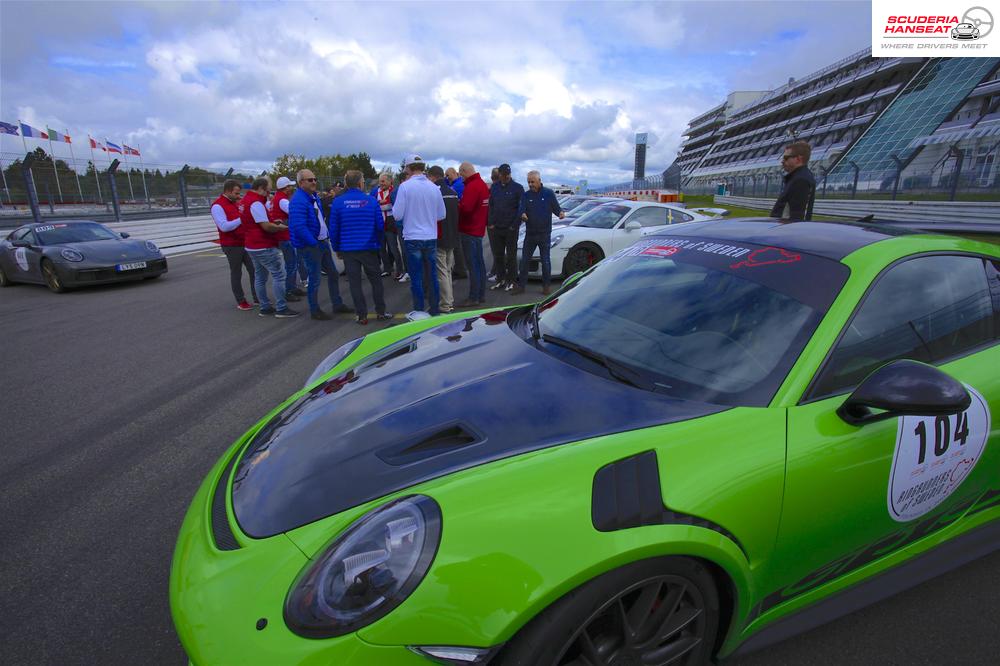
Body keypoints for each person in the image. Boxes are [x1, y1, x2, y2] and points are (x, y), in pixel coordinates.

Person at [329, 170, 392, 325]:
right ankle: (381, 312)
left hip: (349, 249)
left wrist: (337, 248)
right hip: (369, 247)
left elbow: (334, 229)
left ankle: (361, 315)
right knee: (376, 281)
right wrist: (377, 243)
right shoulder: (371, 201)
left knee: (355, 282)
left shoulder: (338, 202)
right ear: (360, 183)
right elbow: (379, 226)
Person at [288, 169, 352, 320]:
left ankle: (337, 304)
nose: (314, 182)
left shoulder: (313, 197)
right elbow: (298, 226)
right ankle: (315, 310)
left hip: (321, 242)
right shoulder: (298, 200)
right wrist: (313, 243)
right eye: (310, 180)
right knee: (315, 278)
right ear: (301, 182)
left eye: (315, 179)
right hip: (312, 245)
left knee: (333, 274)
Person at [392, 154, 446, 315]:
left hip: (413, 237)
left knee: (416, 278)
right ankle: (435, 310)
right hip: (430, 236)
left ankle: (419, 311)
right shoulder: (433, 187)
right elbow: (441, 214)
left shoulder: (405, 187)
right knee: (432, 275)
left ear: (408, 168)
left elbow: (397, 215)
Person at [240, 176, 299, 317]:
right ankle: (281, 307)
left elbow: (260, 221)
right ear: (261, 188)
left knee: (260, 276)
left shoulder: (245, 201)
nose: (269, 193)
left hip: (251, 245)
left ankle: (265, 306)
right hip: (262, 244)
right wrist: (281, 227)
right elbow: (266, 226)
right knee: (279, 275)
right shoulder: (256, 203)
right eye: (267, 190)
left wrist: (274, 222)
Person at [513, 170, 564, 296]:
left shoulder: (548, 193)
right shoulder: (526, 195)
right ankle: (521, 286)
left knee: (545, 260)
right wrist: (523, 214)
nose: (530, 184)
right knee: (525, 260)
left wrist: (561, 213)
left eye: (532, 182)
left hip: (544, 234)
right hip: (530, 234)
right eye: (529, 182)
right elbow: (521, 210)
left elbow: (557, 209)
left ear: (539, 181)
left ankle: (546, 286)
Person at [211, 179, 257, 310]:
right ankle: (241, 300)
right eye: (236, 193)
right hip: (231, 245)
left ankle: (257, 296)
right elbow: (224, 226)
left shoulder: (236, 203)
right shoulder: (217, 206)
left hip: (245, 242)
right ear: (227, 191)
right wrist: (241, 219)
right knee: (236, 273)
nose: (238, 196)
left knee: (254, 270)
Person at [456, 161, 490, 307]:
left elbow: (466, 209)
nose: (460, 176)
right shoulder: (481, 184)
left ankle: (474, 296)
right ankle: (480, 294)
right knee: (479, 263)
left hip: (469, 230)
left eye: (461, 173)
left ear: (465, 171)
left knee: (473, 265)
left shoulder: (472, 186)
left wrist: (457, 204)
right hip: (478, 229)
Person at [487, 163, 524, 292]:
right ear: (500, 175)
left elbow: (521, 208)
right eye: (503, 175)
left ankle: (512, 281)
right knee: (498, 255)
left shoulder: (518, 188)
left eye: (508, 174)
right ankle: (500, 279)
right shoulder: (495, 187)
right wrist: (490, 222)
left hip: (511, 228)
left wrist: (514, 225)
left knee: (511, 256)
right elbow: (491, 205)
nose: (506, 177)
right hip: (497, 227)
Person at [428, 165, 459, 313]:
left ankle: (446, 304)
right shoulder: (453, 192)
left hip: (440, 237)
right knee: (447, 270)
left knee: (441, 272)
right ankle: (450, 301)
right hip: (452, 236)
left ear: (433, 177)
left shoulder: (434, 193)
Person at [269, 175, 305, 302]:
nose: (292, 188)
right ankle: (289, 290)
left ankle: (292, 287)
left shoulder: (276, 199)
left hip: (282, 235)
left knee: (291, 263)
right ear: (285, 188)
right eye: (290, 186)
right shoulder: (283, 200)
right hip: (285, 236)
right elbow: (294, 213)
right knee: (291, 264)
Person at [771, 140, 816, 221]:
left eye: (786, 158)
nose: (782, 161)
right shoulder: (797, 177)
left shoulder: (801, 180)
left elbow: (798, 216)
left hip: (785, 231)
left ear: (798, 159)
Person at [370, 173, 404, 279]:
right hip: (379, 222)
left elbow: (391, 205)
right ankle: (387, 268)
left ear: (390, 181)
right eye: (380, 181)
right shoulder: (376, 191)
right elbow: (372, 204)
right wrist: (382, 203)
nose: (381, 183)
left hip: (390, 222)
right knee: (381, 248)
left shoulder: (395, 191)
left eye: (383, 181)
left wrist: (380, 203)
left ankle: (400, 269)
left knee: (393, 247)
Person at [446, 167, 468, 279]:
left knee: (457, 245)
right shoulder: (455, 183)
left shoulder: (457, 185)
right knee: (458, 245)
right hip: (457, 218)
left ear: (455, 173)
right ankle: (460, 268)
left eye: (448, 175)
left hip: (457, 219)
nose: (447, 177)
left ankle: (461, 269)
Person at [486, 167, 501, 281]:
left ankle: (497, 272)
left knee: (496, 249)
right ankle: (495, 271)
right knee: (497, 249)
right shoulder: (500, 189)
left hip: (494, 224)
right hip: (498, 223)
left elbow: (492, 208)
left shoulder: (493, 190)